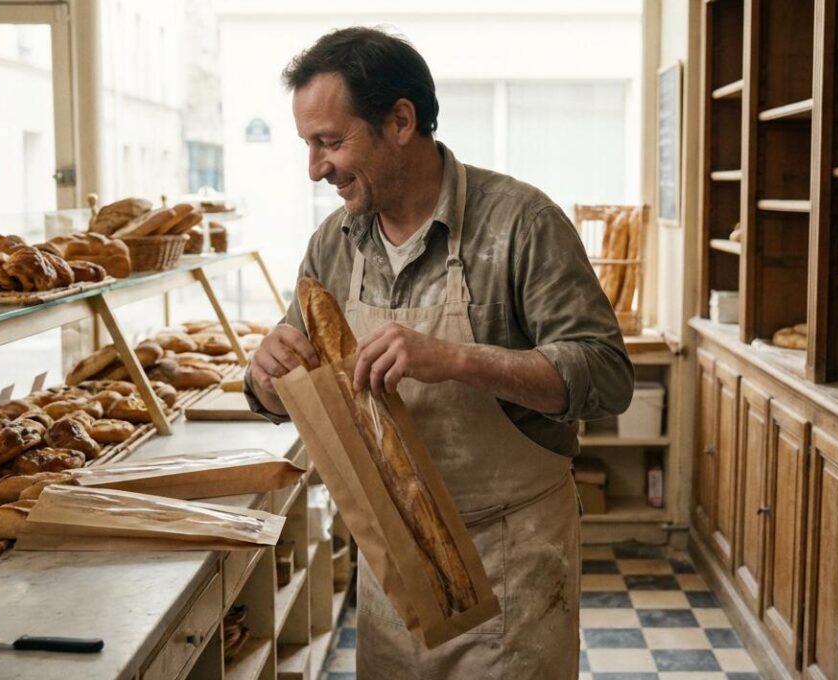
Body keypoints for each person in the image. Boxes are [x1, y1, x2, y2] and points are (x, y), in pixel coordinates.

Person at [244, 26, 634, 679]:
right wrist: (265, 377)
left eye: (330, 142)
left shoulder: (521, 224)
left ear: (400, 120)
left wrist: (456, 359)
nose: (315, 168)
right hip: (393, 565)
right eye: (308, 145)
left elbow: (604, 374)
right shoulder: (334, 246)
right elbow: (287, 389)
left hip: (509, 560)